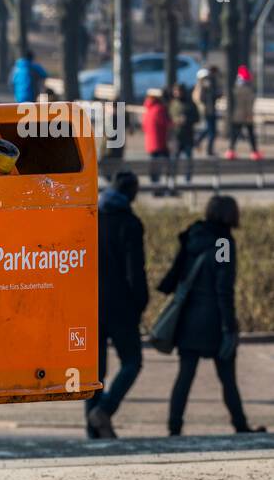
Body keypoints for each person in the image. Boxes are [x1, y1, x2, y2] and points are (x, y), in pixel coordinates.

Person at [158, 195, 264, 435]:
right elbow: (223, 288)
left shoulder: (192, 235)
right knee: (227, 377)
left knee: (185, 376)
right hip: (214, 319)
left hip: (188, 318)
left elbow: (176, 274)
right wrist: (230, 326)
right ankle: (240, 425)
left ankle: (174, 427)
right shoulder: (223, 243)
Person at [86, 170, 147, 439]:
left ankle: (93, 432)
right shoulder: (130, 224)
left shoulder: (91, 218)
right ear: (130, 192)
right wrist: (140, 304)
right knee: (132, 361)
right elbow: (136, 271)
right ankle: (105, 410)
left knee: (94, 373)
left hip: (89, 304)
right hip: (121, 306)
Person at [168, 81, 199, 189]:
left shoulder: (190, 104)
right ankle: (172, 180)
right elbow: (168, 118)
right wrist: (175, 121)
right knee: (174, 160)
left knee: (188, 159)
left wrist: (188, 120)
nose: (177, 93)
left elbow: (197, 118)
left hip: (188, 135)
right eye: (175, 91)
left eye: (179, 91)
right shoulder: (173, 104)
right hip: (176, 136)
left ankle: (188, 179)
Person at [225, 65, 260, 160]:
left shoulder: (235, 89)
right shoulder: (248, 90)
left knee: (235, 134)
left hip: (237, 115)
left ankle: (230, 151)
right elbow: (249, 104)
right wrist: (249, 114)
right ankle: (254, 152)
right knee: (251, 134)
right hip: (247, 115)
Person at [142, 89, 172, 193]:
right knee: (168, 166)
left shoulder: (148, 110)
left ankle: (155, 189)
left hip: (150, 143)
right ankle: (166, 189)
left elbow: (144, 126)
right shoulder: (160, 109)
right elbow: (166, 123)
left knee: (154, 167)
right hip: (160, 143)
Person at [192, 65, 220, 156]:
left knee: (209, 130)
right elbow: (201, 98)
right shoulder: (205, 84)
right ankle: (208, 149)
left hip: (209, 109)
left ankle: (198, 141)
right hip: (208, 110)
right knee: (211, 131)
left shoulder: (205, 83)